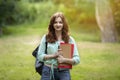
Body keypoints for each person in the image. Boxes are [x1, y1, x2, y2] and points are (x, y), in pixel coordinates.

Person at [37, 12, 80, 80]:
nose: (58, 24)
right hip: (47, 71)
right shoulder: (46, 38)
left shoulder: (69, 39)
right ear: (52, 24)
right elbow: (39, 56)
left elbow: (77, 59)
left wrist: (64, 60)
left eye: (60, 22)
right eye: (55, 22)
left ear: (63, 24)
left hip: (64, 72)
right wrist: (53, 55)